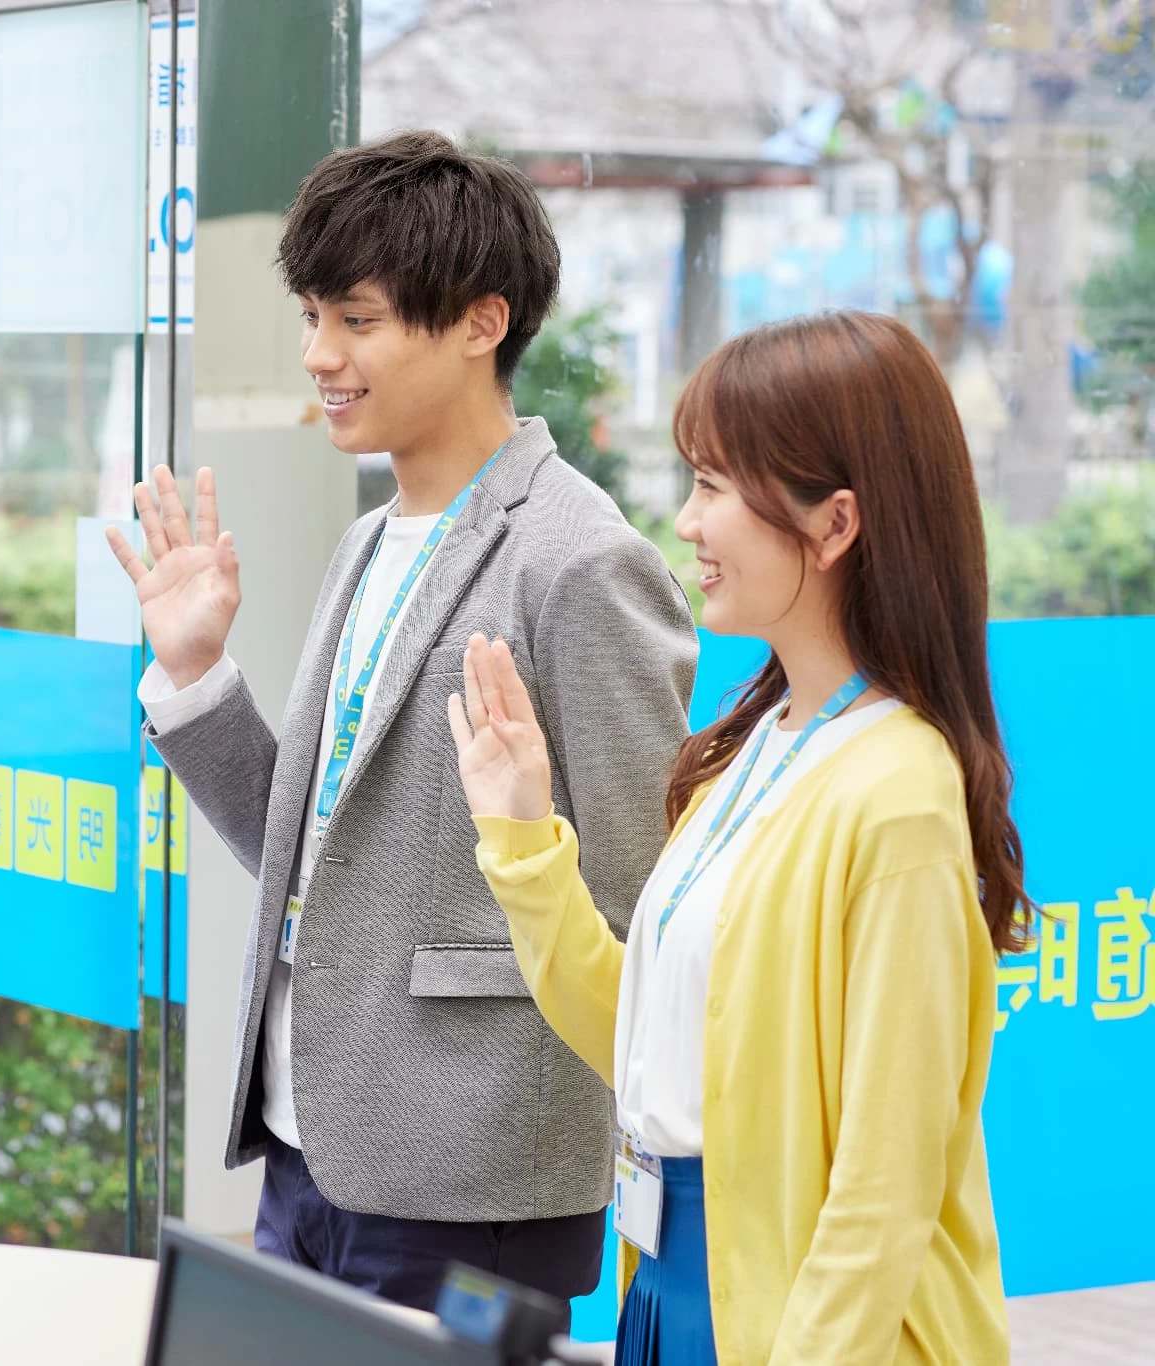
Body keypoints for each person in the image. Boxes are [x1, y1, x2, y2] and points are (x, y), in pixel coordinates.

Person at [107, 131, 696, 1311]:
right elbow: (321, 856)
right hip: (307, 1143)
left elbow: (635, 911)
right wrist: (196, 672)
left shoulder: (578, 561)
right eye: (312, 317)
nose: (319, 355)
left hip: (471, 1170)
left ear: (481, 323)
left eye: (357, 320)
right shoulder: (368, 540)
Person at [448, 310, 1019, 1363]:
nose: (686, 521)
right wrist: (522, 836)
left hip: (794, 1323)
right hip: (674, 1286)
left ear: (834, 524)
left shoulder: (897, 793)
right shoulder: (753, 750)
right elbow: (641, 1047)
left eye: (713, 484)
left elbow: (880, 1190)